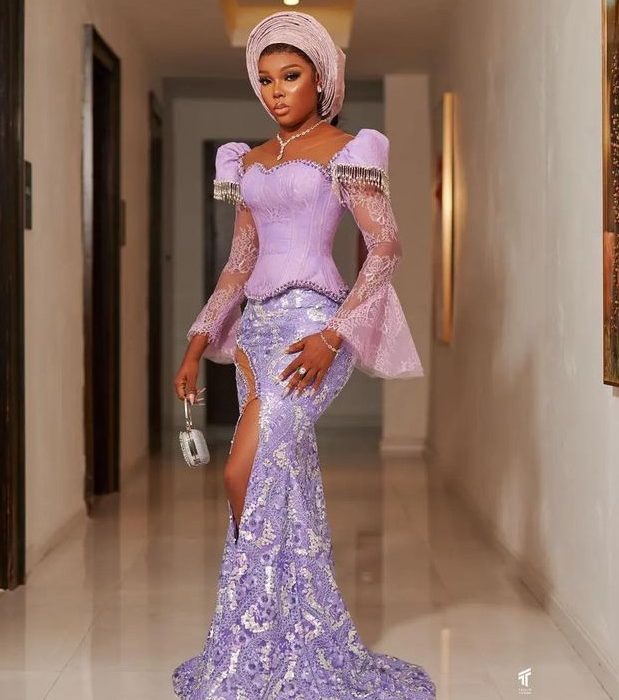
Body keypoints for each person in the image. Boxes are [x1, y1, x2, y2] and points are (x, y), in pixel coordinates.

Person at [171, 9, 433, 699]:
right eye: (265, 80)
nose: (276, 91)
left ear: (321, 80)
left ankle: (255, 631)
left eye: (290, 76)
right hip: (255, 334)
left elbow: (386, 248)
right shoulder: (249, 162)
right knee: (278, 480)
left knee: (242, 472)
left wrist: (333, 336)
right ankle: (284, 633)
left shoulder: (348, 150)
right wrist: (196, 344)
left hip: (313, 331)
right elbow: (238, 265)